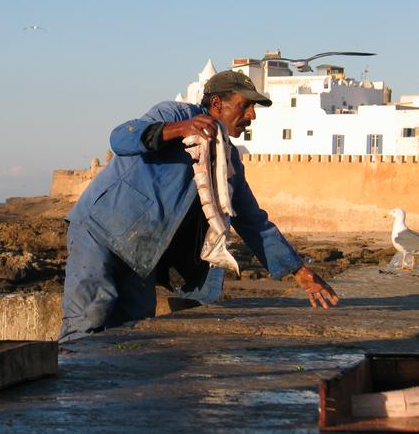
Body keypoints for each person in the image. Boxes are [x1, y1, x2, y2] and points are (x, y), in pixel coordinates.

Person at [60, 69, 339, 342]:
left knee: (134, 328)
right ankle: (69, 383)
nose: (251, 116)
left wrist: (301, 272)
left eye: (253, 109)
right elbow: (121, 138)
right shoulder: (174, 114)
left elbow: (253, 222)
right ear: (217, 104)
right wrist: (177, 129)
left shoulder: (229, 161)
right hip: (98, 231)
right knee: (89, 317)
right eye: (245, 106)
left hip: (142, 252)